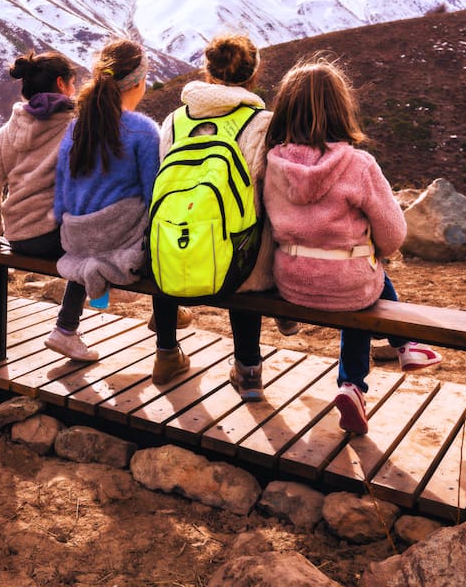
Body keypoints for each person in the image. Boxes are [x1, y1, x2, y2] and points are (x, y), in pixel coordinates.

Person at [262, 54, 442, 434]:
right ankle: (357, 381)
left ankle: (395, 354)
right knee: (362, 278)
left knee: (357, 278)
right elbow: (393, 237)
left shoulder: (271, 163)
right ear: (340, 109)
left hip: (291, 280)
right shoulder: (359, 164)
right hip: (347, 284)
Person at [150, 35, 278, 395]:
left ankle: (165, 352)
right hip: (243, 259)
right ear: (253, 75)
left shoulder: (175, 120)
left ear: (208, 71)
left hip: (178, 246)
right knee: (248, 239)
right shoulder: (262, 122)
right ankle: (248, 368)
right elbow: (270, 188)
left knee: (167, 237)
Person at [50, 39, 161, 362]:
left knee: (94, 252)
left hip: (76, 232)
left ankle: (65, 328)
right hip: (115, 235)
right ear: (138, 83)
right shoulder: (143, 131)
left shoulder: (76, 127)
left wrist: (66, 224)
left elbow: (63, 187)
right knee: (157, 221)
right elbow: (153, 193)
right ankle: (166, 318)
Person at [0, 50, 76, 257]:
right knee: (99, 248)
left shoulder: (7, 131)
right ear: (61, 83)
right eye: (72, 83)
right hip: (54, 236)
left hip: (17, 236)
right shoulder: (73, 128)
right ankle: (93, 292)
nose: (74, 90)